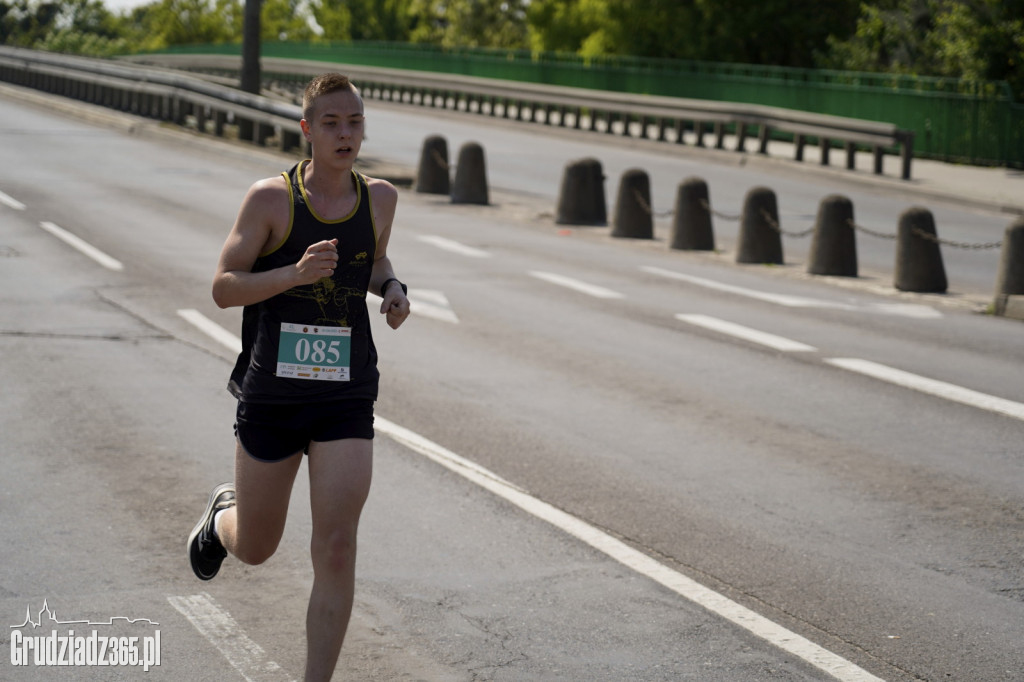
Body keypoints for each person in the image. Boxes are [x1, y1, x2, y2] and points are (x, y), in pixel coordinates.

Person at [187, 72, 410, 682]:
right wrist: (292, 275)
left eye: (355, 122)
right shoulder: (270, 200)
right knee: (256, 548)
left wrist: (391, 288)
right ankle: (221, 518)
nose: (345, 133)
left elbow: (372, 258)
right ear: (307, 130)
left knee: (337, 545)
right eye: (331, 123)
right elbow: (222, 287)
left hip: (346, 393)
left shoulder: (380, 199)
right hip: (274, 395)